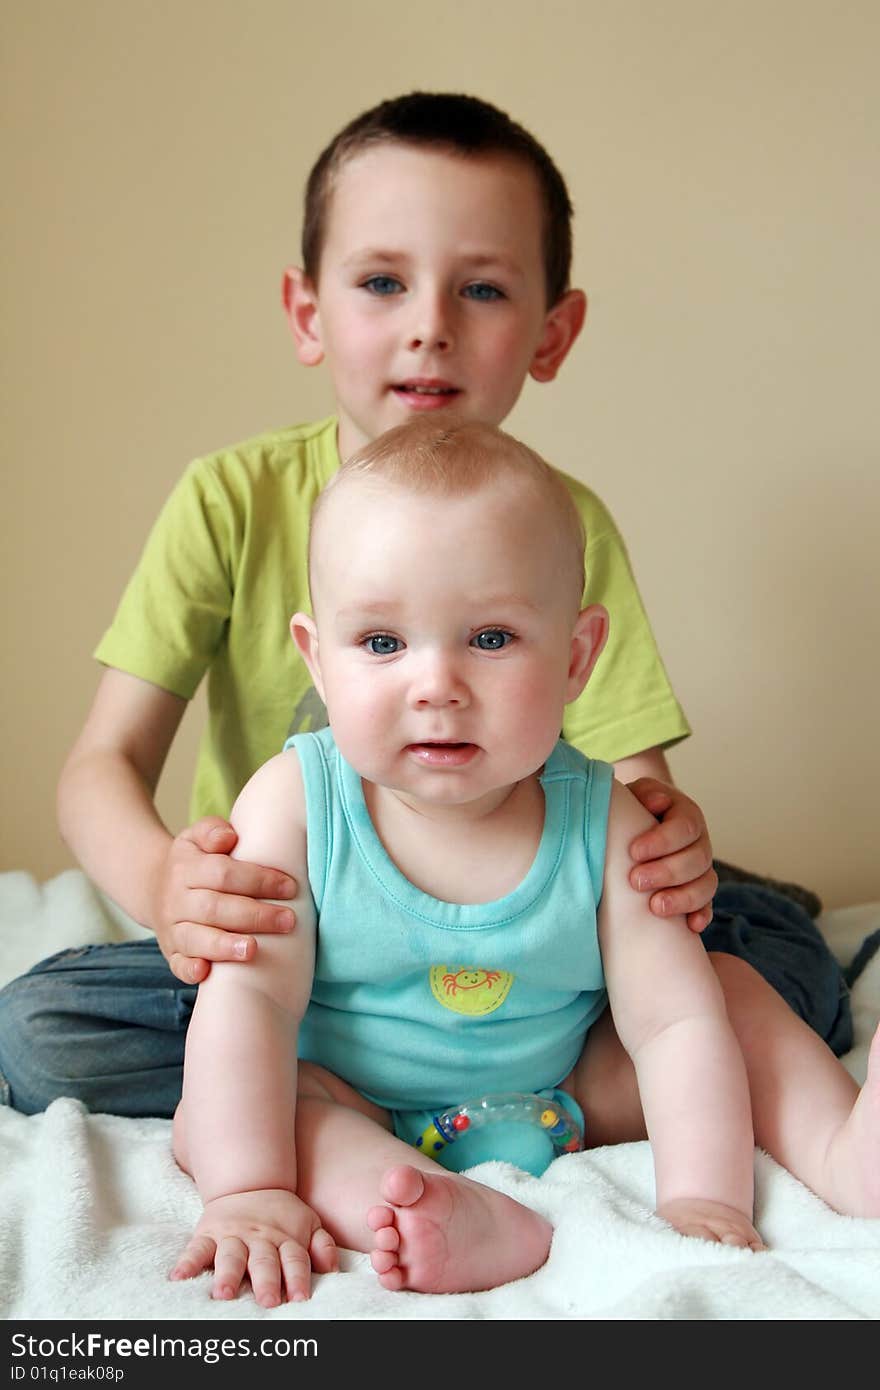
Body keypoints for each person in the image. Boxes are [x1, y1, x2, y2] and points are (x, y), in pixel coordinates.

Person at [0, 92, 849, 1120]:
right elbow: (102, 765)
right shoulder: (229, 499)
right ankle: (370, 1075)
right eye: (382, 282)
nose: (430, 328)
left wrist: (670, 840)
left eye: (483, 289)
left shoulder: (563, 522)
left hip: (527, 966)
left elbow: (635, 787)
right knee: (39, 1034)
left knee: (785, 971)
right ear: (309, 313)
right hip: (295, 954)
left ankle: (424, 1085)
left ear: (553, 330)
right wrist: (165, 891)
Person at [170, 419, 879, 1305]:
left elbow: (670, 1027)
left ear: (577, 657)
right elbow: (254, 1010)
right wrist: (249, 1192)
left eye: (493, 639)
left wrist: (701, 1197)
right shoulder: (293, 807)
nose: (437, 685)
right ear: (318, 657)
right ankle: (463, 1216)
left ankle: (847, 1156)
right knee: (224, 1116)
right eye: (384, 644)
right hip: (361, 1099)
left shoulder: (605, 818)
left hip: (569, 1087)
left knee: (725, 992)